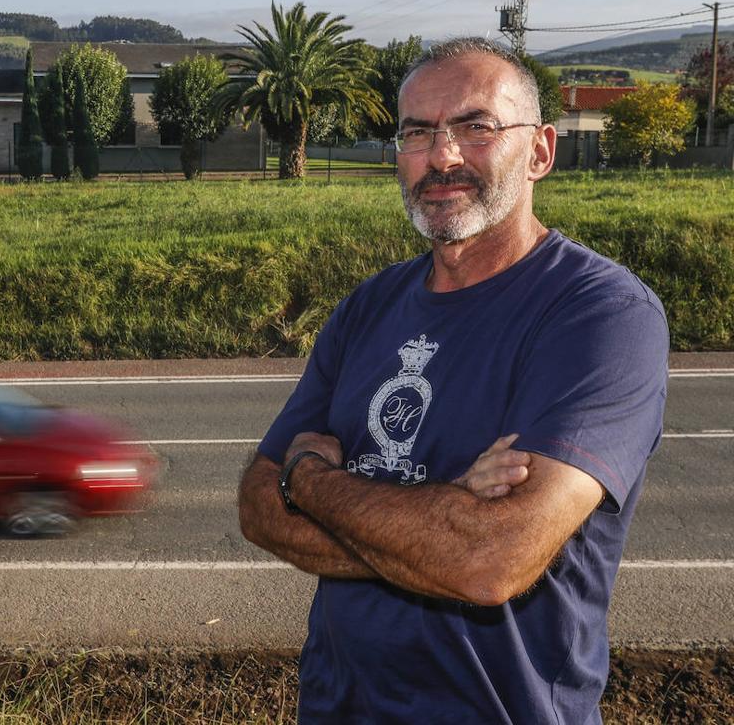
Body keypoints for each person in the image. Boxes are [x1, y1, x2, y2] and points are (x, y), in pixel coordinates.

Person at [238, 37, 668, 724]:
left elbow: (489, 561)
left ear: (539, 152)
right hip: (335, 707)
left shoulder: (600, 314)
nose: (442, 157)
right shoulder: (369, 307)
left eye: (477, 127)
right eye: (417, 132)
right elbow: (259, 506)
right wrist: (438, 523)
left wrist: (313, 482)